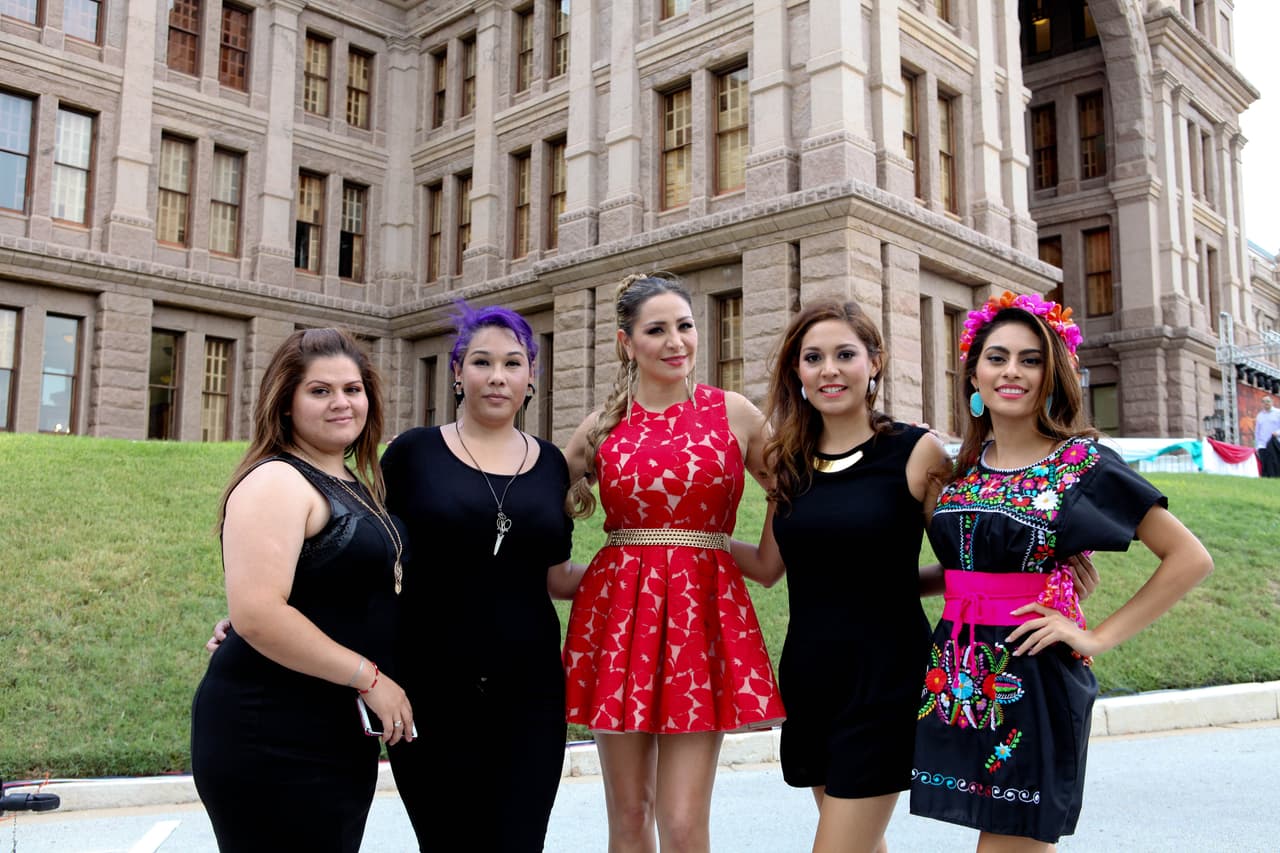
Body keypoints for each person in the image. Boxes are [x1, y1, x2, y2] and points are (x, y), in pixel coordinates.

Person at [911, 291, 1213, 849]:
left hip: (1032, 675)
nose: (1012, 371)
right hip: (958, 676)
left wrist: (1096, 637)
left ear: (1052, 376)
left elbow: (1190, 558)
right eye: (997, 357)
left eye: (1030, 360)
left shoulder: (1082, 464)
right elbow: (964, 572)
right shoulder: (962, 470)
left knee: (1011, 840)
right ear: (974, 375)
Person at [562, 273, 785, 853]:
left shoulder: (733, 413)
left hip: (700, 618)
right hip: (619, 621)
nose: (675, 341)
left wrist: (746, 556)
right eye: (656, 330)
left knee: (683, 823)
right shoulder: (602, 427)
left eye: (684, 326)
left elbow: (791, 487)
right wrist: (565, 574)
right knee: (630, 814)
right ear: (626, 342)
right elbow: (538, 502)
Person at [729, 299, 949, 853]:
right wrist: (682, 539)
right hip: (812, 677)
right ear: (797, 371)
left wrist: (1049, 569)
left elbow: (963, 564)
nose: (829, 370)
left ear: (875, 362)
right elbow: (768, 567)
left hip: (887, 678)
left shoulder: (916, 451)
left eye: (845, 354)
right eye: (814, 357)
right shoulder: (789, 462)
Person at [191, 328, 414, 853]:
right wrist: (371, 679)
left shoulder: (350, 482)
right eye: (320, 391)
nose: (341, 402)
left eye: (353, 389)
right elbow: (259, 615)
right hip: (272, 730)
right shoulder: (277, 480)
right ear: (286, 403)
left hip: (333, 727)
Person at [382, 304, 581, 852]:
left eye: (513, 363)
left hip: (531, 694)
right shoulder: (412, 454)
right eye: (482, 362)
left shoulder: (551, 465)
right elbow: (365, 552)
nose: (498, 376)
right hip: (429, 690)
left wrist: (645, 564)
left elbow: (557, 577)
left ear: (531, 376)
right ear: (457, 371)